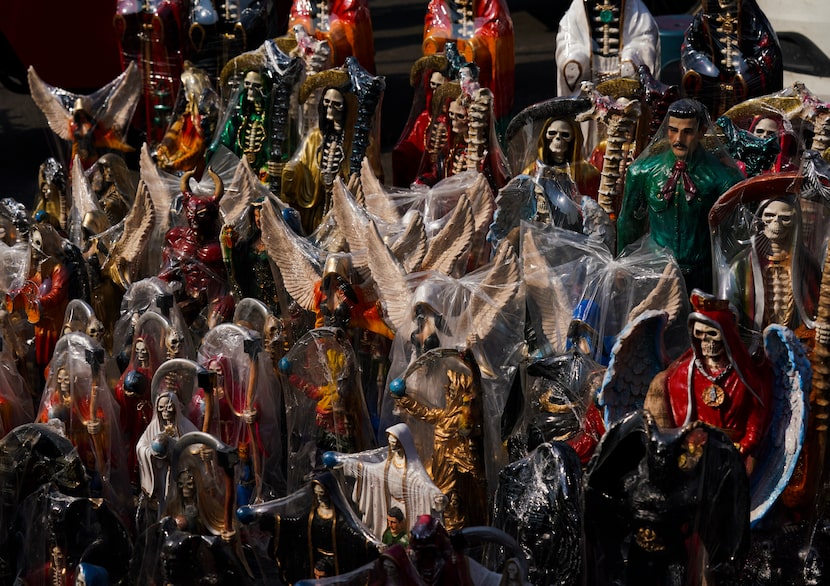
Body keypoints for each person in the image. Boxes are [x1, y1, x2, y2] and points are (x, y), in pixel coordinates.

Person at [617, 98, 743, 293]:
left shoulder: (722, 178)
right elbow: (628, 223)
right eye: (673, 130)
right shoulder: (643, 172)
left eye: (687, 132)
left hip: (703, 276)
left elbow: (735, 234)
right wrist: (622, 266)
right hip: (656, 273)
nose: (678, 139)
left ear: (701, 131)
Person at [644, 290, 773, 472]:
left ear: (726, 335)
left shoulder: (746, 378)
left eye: (712, 334)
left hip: (732, 455)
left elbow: (754, 424)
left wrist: (741, 448)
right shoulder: (682, 375)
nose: (706, 341)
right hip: (694, 454)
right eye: (699, 334)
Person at [326, 422, 444, 539]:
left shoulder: (413, 467)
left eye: (395, 443)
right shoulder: (388, 464)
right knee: (390, 534)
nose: (392, 446)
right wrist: (346, 463)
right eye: (391, 443)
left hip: (408, 508)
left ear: (403, 444)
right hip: (390, 504)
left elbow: (425, 483)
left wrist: (435, 495)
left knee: (406, 535)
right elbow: (371, 470)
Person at [281, 86, 351, 234]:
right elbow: (302, 163)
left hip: (342, 210)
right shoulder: (315, 137)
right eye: (327, 102)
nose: (330, 108)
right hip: (317, 204)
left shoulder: (351, 142)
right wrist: (292, 171)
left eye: (336, 103)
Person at [522, 116, 600, 199]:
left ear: (574, 138)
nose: (558, 138)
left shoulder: (587, 172)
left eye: (565, 135)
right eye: (552, 133)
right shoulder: (532, 171)